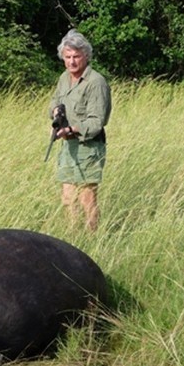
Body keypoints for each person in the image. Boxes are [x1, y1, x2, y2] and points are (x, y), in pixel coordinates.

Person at [49, 30, 111, 232]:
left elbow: (97, 121)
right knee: (67, 197)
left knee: (87, 197)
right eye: (67, 57)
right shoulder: (64, 78)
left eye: (76, 56)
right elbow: (54, 101)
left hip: (89, 145)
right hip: (68, 144)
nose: (72, 61)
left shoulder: (96, 82)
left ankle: (92, 238)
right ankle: (73, 237)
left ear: (86, 55)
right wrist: (55, 111)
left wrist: (72, 128)